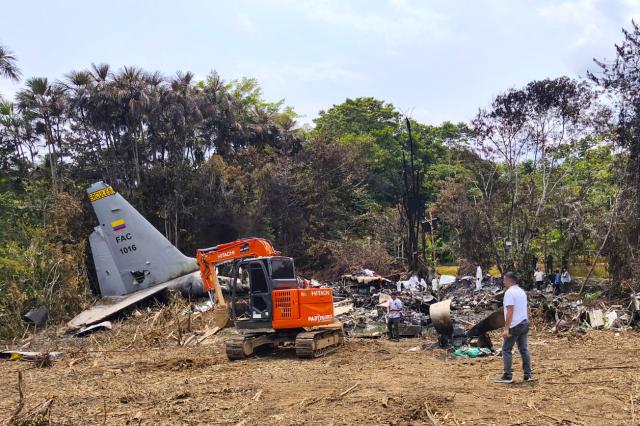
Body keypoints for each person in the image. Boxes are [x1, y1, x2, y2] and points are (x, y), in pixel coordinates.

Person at [496, 272, 532, 384]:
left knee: (506, 349)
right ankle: (527, 375)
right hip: (524, 322)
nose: (503, 282)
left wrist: (506, 329)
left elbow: (510, 311)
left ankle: (507, 375)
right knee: (524, 349)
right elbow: (525, 308)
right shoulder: (521, 292)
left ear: (510, 280)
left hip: (515, 324)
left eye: (504, 280)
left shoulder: (509, 293)